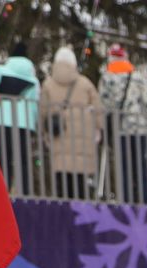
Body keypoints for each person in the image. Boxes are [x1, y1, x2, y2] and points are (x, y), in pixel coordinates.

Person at [0, 41, 40, 196]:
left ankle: (0, 193)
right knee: (23, 161)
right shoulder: (33, 80)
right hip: (24, 123)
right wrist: (32, 122)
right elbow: (35, 102)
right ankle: (24, 194)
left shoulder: (2, 71)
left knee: (2, 160)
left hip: (3, 119)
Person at [39, 47, 100, 200]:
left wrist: (43, 133)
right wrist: (99, 130)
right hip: (83, 143)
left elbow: (42, 111)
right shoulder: (85, 83)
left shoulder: (48, 84)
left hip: (59, 140)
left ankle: (64, 214)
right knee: (81, 187)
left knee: (62, 185)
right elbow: (99, 110)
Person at [99, 45, 147, 204]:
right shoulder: (137, 76)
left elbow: (104, 103)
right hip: (140, 127)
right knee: (141, 166)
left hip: (121, 128)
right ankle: (144, 200)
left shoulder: (107, 77)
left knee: (124, 167)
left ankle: (126, 200)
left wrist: (105, 124)